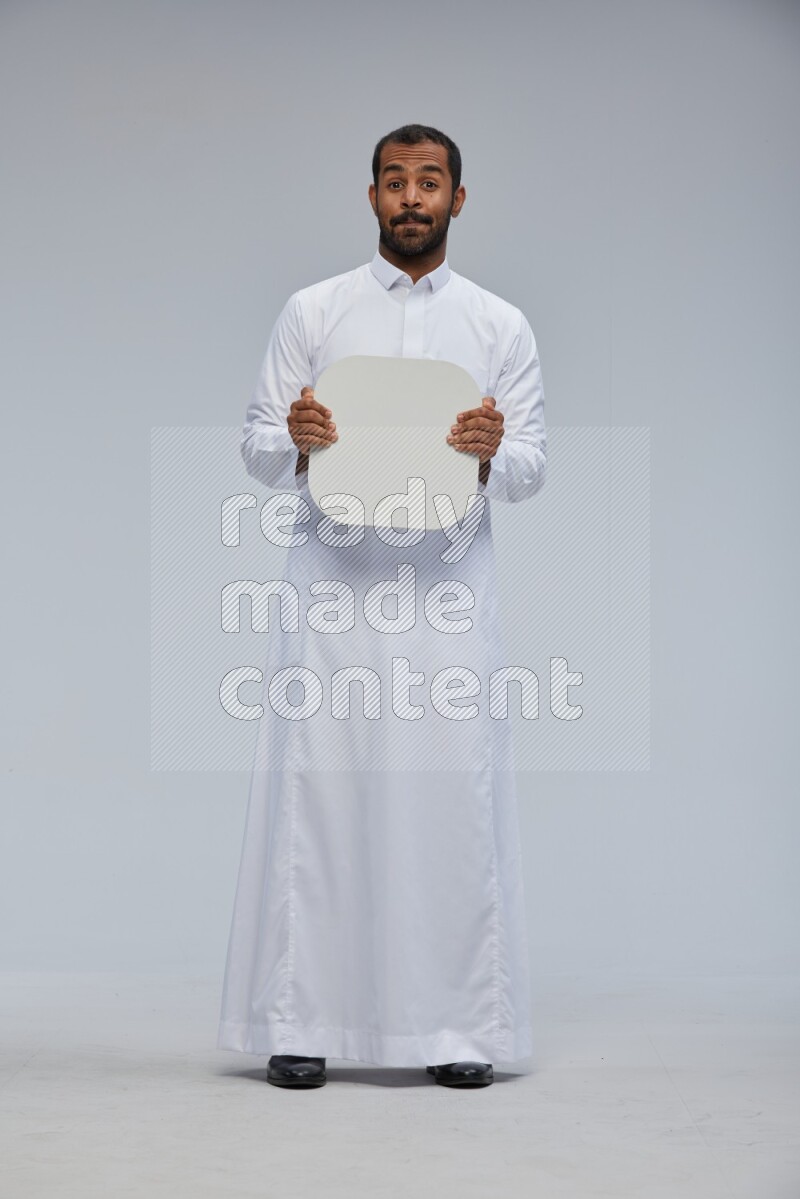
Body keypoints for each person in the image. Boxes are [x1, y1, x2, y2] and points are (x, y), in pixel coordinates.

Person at [217, 123, 547, 1089]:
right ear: (371, 197)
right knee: (320, 795)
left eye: (429, 181)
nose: (411, 197)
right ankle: (302, 1019)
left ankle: (456, 1028)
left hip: (447, 596)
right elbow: (257, 447)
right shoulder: (314, 312)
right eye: (395, 181)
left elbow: (531, 467)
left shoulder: (499, 325)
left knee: (450, 797)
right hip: (333, 588)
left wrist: (490, 451)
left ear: (457, 198)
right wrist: (295, 434)